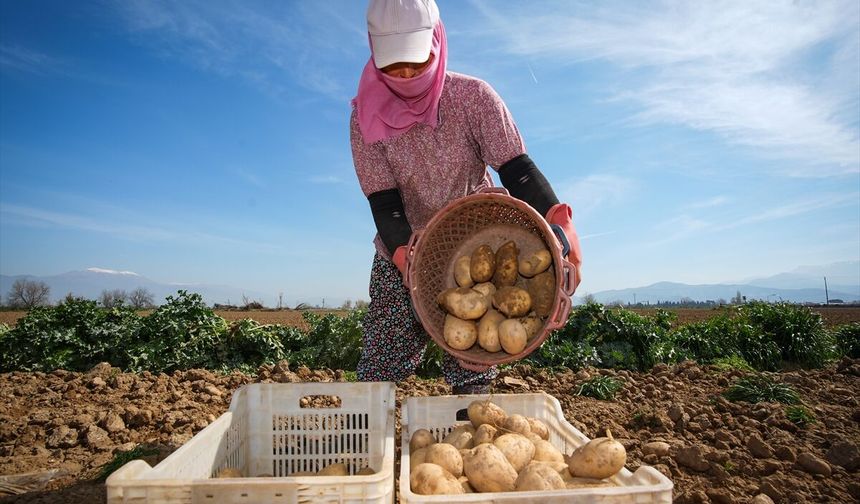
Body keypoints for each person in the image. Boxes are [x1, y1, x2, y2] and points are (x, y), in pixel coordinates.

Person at [350, 0, 582, 394]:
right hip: (402, 244)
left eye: (416, 61)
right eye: (392, 65)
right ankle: (369, 426)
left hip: (475, 243)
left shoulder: (472, 97)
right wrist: (407, 257)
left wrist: (560, 220)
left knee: (475, 358)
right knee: (381, 361)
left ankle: (468, 423)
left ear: (435, 43)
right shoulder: (364, 119)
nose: (405, 74)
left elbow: (518, 171)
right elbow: (384, 204)